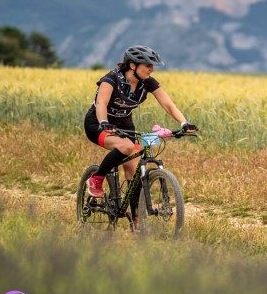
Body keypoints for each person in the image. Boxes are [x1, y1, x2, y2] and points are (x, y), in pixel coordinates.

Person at [83, 45, 198, 210]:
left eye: (153, 66)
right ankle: (97, 178)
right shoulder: (111, 79)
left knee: (133, 167)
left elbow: (168, 104)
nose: (151, 69)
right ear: (132, 65)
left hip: (124, 124)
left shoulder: (148, 83)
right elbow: (101, 103)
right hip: (98, 123)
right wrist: (103, 123)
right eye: (148, 65)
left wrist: (184, 123)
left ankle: (136, 222)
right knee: (126, 146)